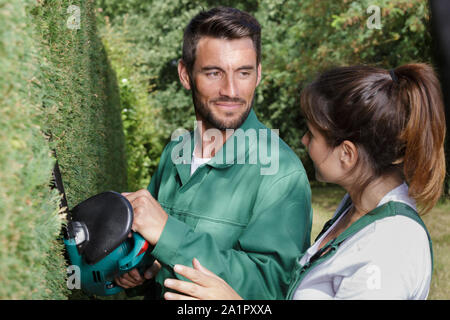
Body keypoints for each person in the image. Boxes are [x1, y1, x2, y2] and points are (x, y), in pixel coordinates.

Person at [162, 63, 446, 300]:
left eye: (312, 133)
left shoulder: (389, 250)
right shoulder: (359, 208)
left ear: (346, 154)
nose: (304, 140)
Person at [114, 7, 313, 300]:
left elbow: (272, 289)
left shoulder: (281, 173)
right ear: (185, 74)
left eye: (243, 73)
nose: (231, 90)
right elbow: (152, 249)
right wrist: (140, 267)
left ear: (258, 74)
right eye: (214, 73)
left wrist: (168, 234)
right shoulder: (175, 152)